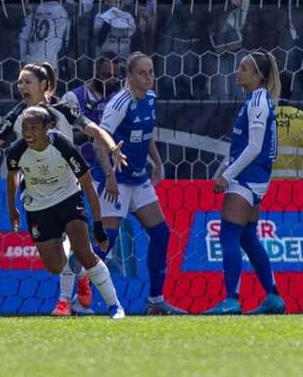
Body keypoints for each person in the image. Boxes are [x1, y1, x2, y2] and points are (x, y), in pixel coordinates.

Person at [0, 62, 127, 316]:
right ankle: (79, 273)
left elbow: (94, 129)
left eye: (27, 81)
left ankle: (76, 301)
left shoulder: (63, 110)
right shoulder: (18, 117)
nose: (21, 86)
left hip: (67, 190)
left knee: (80, 246)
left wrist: (111, 146)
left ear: (43, 86)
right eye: (19, 82)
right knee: (57, 262)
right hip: (37, 198)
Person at [5, 106, 125, 319]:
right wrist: (13, 208)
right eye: (25, 128)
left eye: (34, 127)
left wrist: (98, 226)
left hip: (68, 198)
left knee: (84, 253)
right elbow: (12, 177)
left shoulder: (63, 146)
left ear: (48, 127)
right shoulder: (16, 151)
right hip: (38, 206)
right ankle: (81, 275)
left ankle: (114, 306)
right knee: (55, 266)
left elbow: (87, 185)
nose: (28, 133)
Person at [91, 51, 186, 315]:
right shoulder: (120, 103)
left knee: (161, 233)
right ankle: (78, 297)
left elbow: (147, 133)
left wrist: (157, 161)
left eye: (151, 72)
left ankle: (155, 300)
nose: (148, 78)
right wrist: (109, 176)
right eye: (142, 73)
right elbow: (99, 140)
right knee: (105, 241)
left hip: (138, 178)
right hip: (116, 181)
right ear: (130, 76)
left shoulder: (151, 98)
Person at [205, 51, 285, 315]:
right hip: (254, 178)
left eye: (244, 68)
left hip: (247, 178)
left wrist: (227, 175)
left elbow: (253, 147)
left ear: (258, 76)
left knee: (228, 234)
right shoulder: (257, 99)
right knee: (248, 237)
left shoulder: (258, 102)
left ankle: (232, 299)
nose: (237, 72)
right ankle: (273, 297)